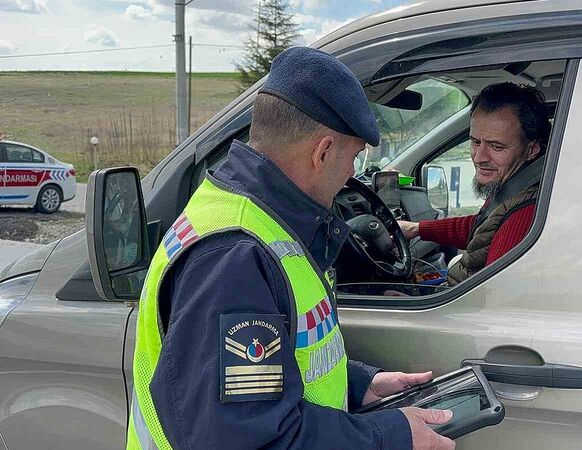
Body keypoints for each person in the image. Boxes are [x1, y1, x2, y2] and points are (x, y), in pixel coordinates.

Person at [126, 47, 454, 450]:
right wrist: (391, 435)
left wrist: (360, 384)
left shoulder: (245, 214)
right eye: (353, 157)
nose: (352, 173)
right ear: (323, 151)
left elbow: (268, 371)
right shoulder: (234, 256)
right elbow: (245, 439)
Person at [398, 82, 550, 285]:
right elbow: (485, 226)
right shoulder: (513, 189)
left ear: (532, 150)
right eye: (475, 142)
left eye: (496, 146)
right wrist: (417, 228)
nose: (479, 157)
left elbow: (490, 300)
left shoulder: (526, 214)